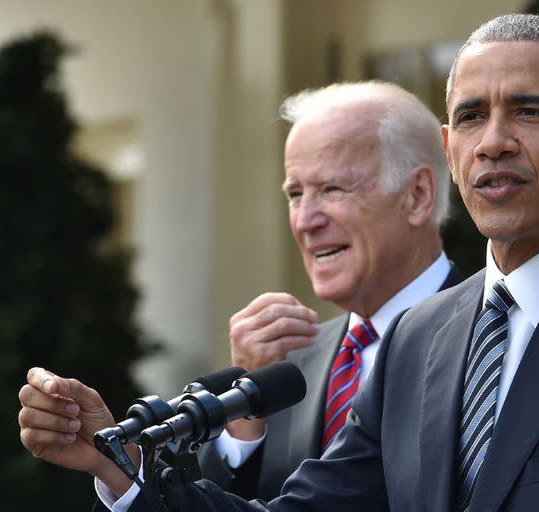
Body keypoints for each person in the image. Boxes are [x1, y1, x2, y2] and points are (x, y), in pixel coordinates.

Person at [18, 14, 539, 511]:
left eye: (528, 111)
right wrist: (121, 464)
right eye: (469, 117)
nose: (493, 141)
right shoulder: (416, 340)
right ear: (449, 149)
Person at [198, 81, 463, 500]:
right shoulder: (286, 365)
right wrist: (245, 416)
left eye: (332, 189)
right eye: (295, 194)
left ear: (417, 196)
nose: (305, 221)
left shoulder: (493, 337)